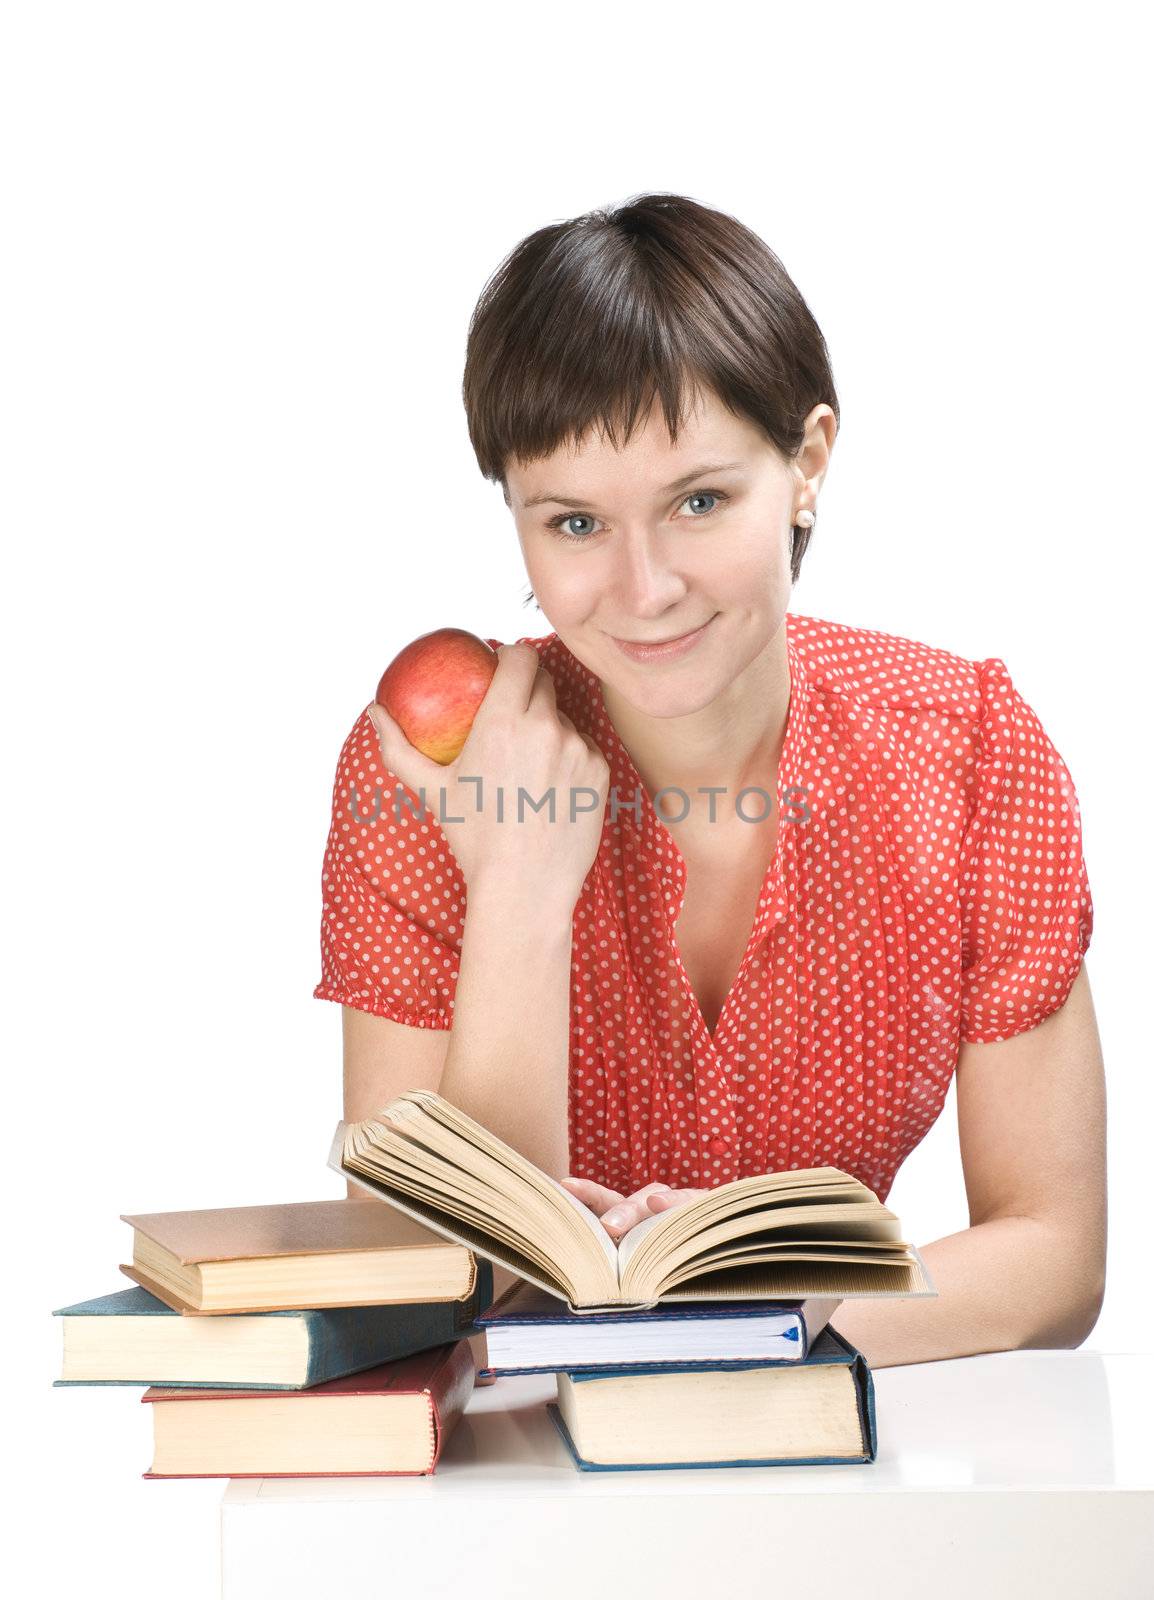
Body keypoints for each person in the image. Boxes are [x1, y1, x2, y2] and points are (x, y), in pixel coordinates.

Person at [314, 192, 1105, 1367]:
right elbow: (421, 1286)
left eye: (698, 501)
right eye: (574, 522)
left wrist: (768, 1306)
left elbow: (1052, 1255)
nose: (642, 589)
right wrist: (520, 885)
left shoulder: (969, 750)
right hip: (513, 1501)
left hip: (841, 1453)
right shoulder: (426, 773)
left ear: (805, 463)